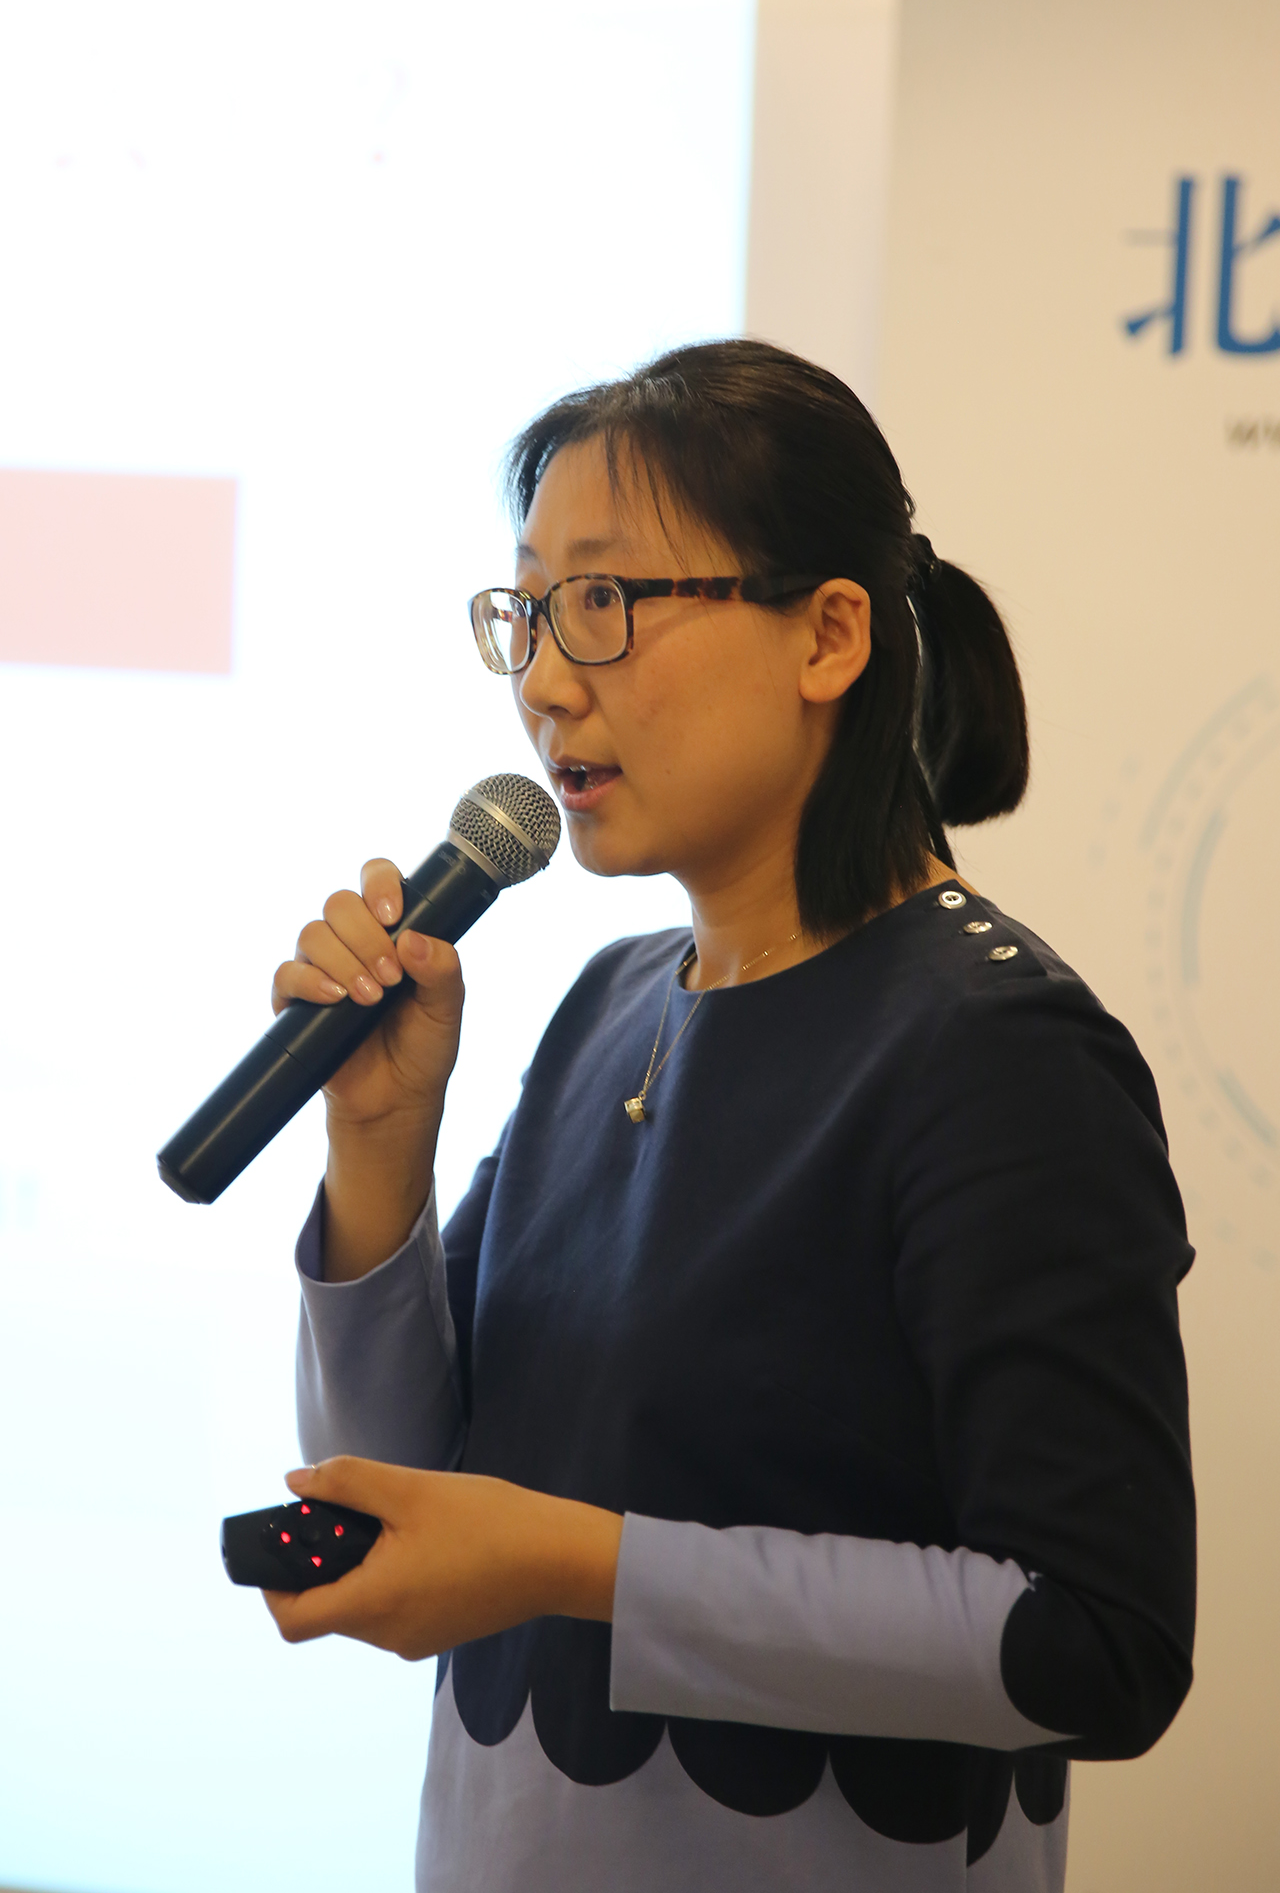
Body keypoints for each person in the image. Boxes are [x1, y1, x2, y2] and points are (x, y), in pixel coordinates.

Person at [263, 341, 1195, 1892]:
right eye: (529, 612)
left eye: (605, 602)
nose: (546, 679)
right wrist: (377, 1142)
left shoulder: (999, 1048)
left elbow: (1097, 1642)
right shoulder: (613, 1002)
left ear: (828, 635)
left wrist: (577, 1564)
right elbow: (395, 1491)